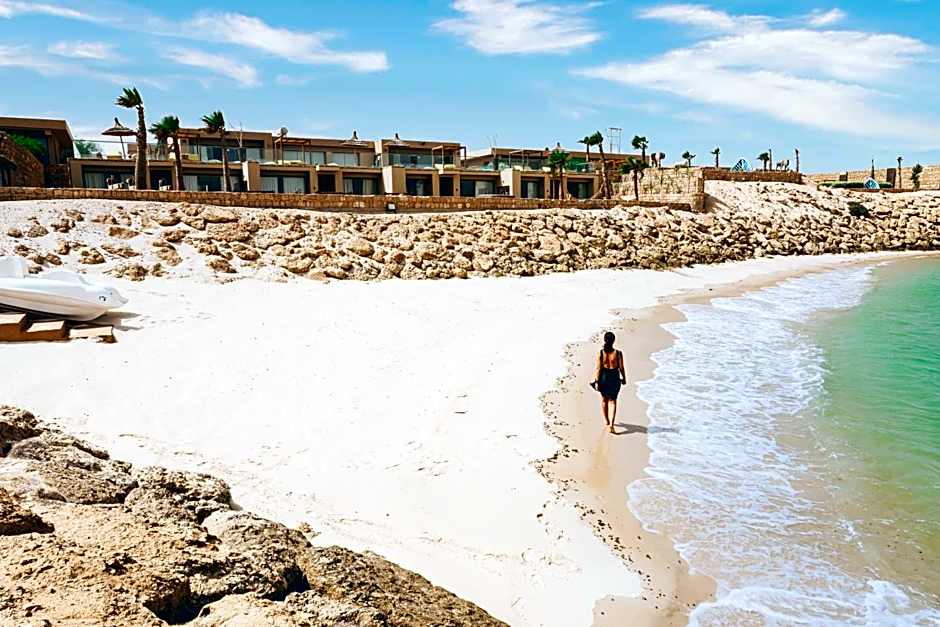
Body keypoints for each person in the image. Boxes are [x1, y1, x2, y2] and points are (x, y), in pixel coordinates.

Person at [591, 331, 627, 434]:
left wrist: (597, 382)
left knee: (604, 400)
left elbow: (598, 368)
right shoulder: (618, 353)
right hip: (614, 378)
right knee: (613, 401)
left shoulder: (601, 353)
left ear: (604, 340)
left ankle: (606, 420)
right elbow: (621, 368)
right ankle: (611, 424)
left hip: (604, 378)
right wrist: (624, 378)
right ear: (614, 341)